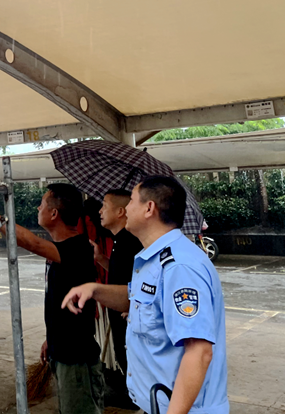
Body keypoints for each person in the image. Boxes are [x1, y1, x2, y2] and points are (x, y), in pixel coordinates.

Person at [62, 176, 228, 414]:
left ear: (149, 208)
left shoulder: (179, 266)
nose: (126, 208)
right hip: (159, 403)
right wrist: (95, 289)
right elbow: (136, 298)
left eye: (131, 201)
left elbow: (199, 351)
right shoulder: (151, 259)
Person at [0, 184, 103, 414]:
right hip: (63, 351)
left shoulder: (78, 247)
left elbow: (31, 242)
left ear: (54, 213)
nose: (38, 207)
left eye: (42, 203)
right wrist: (51, 338)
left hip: (76, 358)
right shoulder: (60, 249)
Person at [93, 189, 143, 409]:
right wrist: (101, 259)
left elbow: (139, 282)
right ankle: (132, 396)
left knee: (131, 360)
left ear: (121, 211)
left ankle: (136, 399)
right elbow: (120, 275)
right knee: (125, 359)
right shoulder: (118, 241)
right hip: (120, 314)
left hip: (129, 317)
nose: (100, 210)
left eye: (104, 205)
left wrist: (132, 306)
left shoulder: (131, 243)